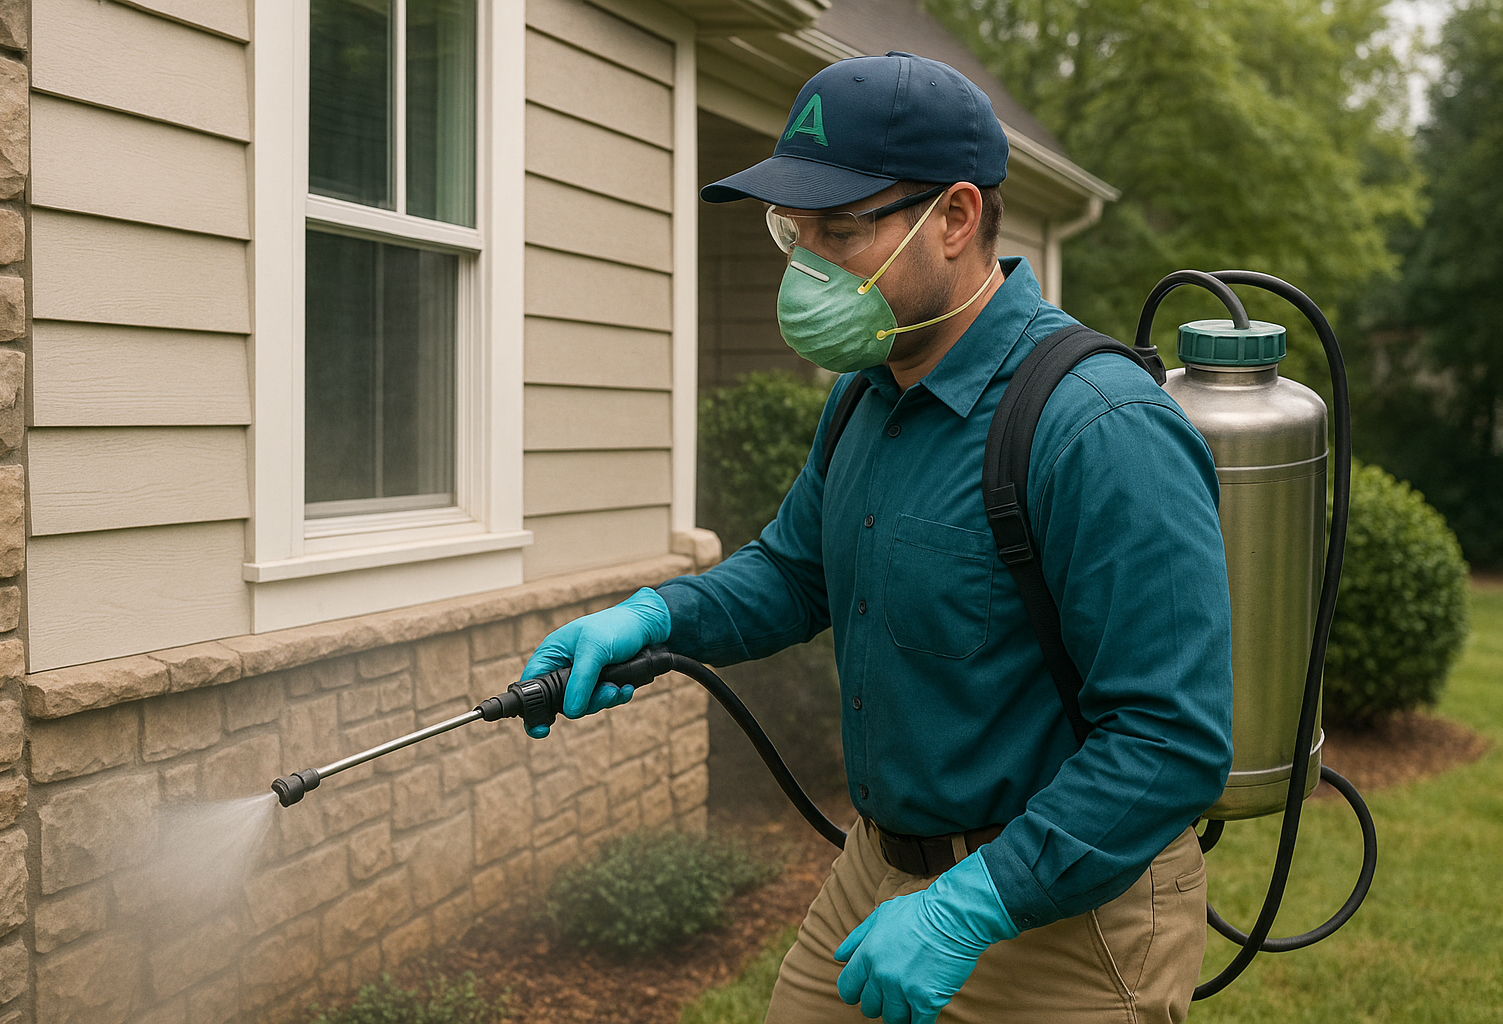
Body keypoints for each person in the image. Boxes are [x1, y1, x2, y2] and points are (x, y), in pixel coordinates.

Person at [522, 51, 1233, 1024]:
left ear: (954, 217)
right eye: (792, 230)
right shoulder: (867, 395)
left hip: (1066, 916)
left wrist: (971, 905)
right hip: (881, 869)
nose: (806, 262)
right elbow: (795, 570)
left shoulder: (1099, 428)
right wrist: (652, 616)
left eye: (841, 229)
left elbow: (1170, 739)